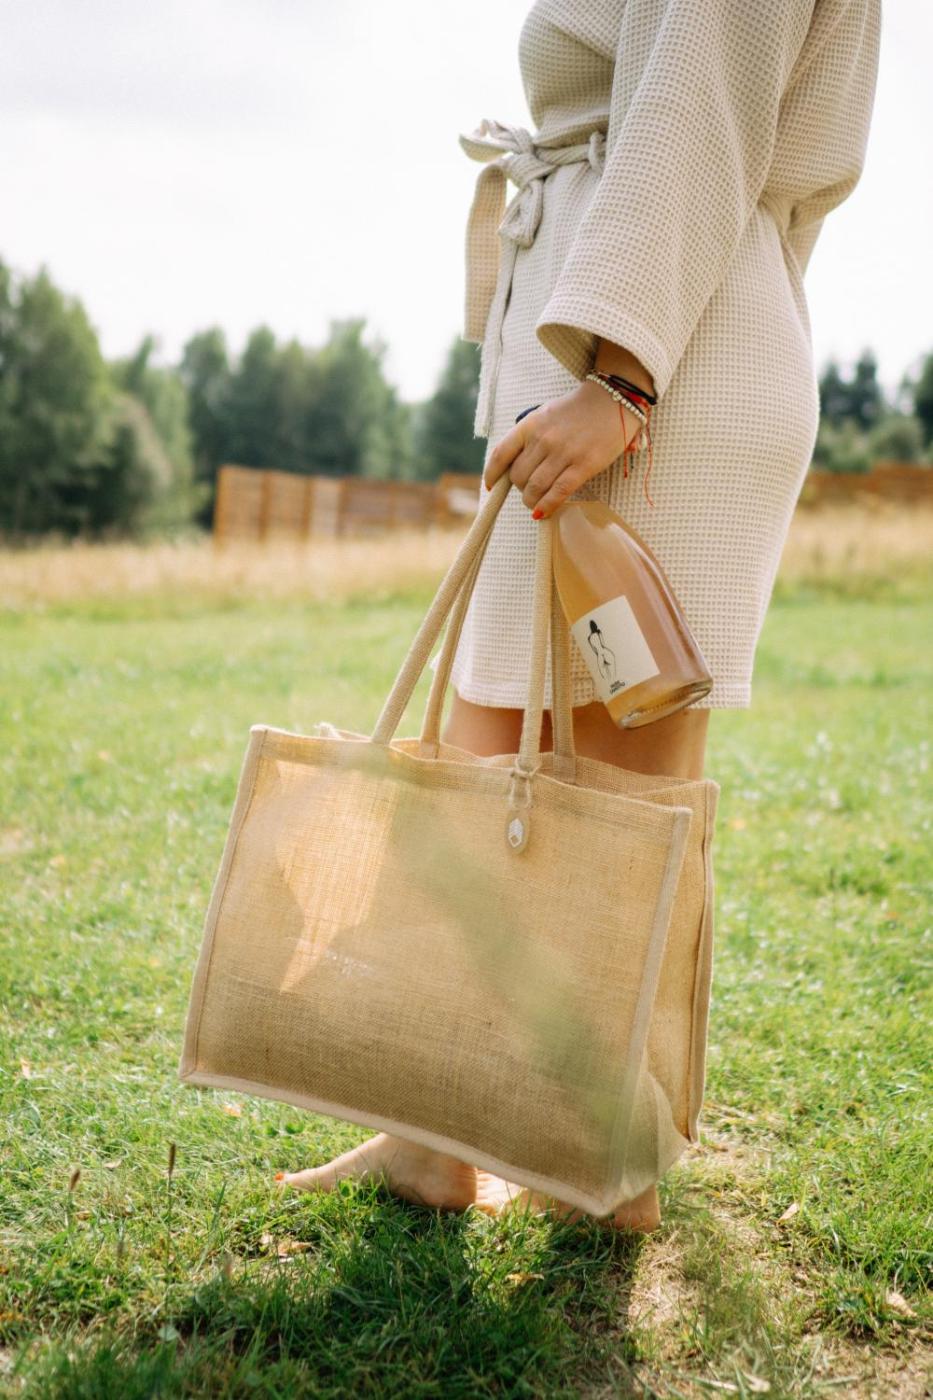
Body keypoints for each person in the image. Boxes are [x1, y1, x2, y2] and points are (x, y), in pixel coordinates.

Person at [277, 0, 881, 1230]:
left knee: (613, 803)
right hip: (632, 342)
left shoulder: (629, 368)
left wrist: (622, 377)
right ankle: (443, 1137)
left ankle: (601, 1166)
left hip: (645, 368)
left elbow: (702, 100)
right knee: (486, 748)